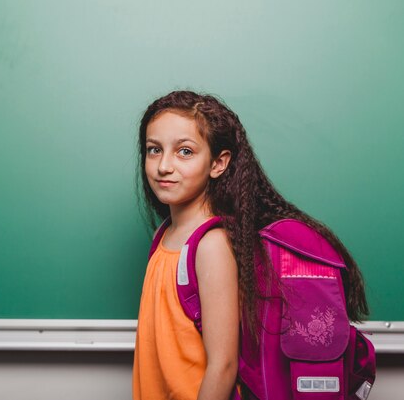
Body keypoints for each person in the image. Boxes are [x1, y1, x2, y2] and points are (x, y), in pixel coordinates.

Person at [132, 91, 369, 400]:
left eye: (185, 152)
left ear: (218, 163)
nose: (164, 165)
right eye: (154, 150)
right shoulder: (163, 235)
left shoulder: (209, 245)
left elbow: (224, 365)